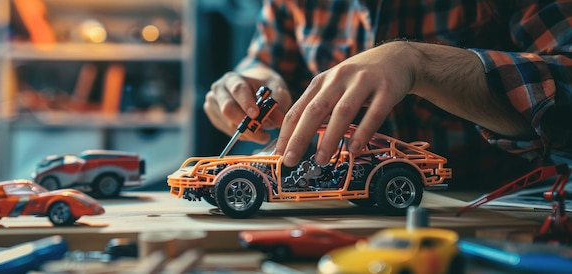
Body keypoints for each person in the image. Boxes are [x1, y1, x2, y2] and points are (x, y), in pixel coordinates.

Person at [204, 0, 572, 188]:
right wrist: (253, 80)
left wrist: (418, 63)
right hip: (344, 217)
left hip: (501, 211)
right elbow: (267, 62)